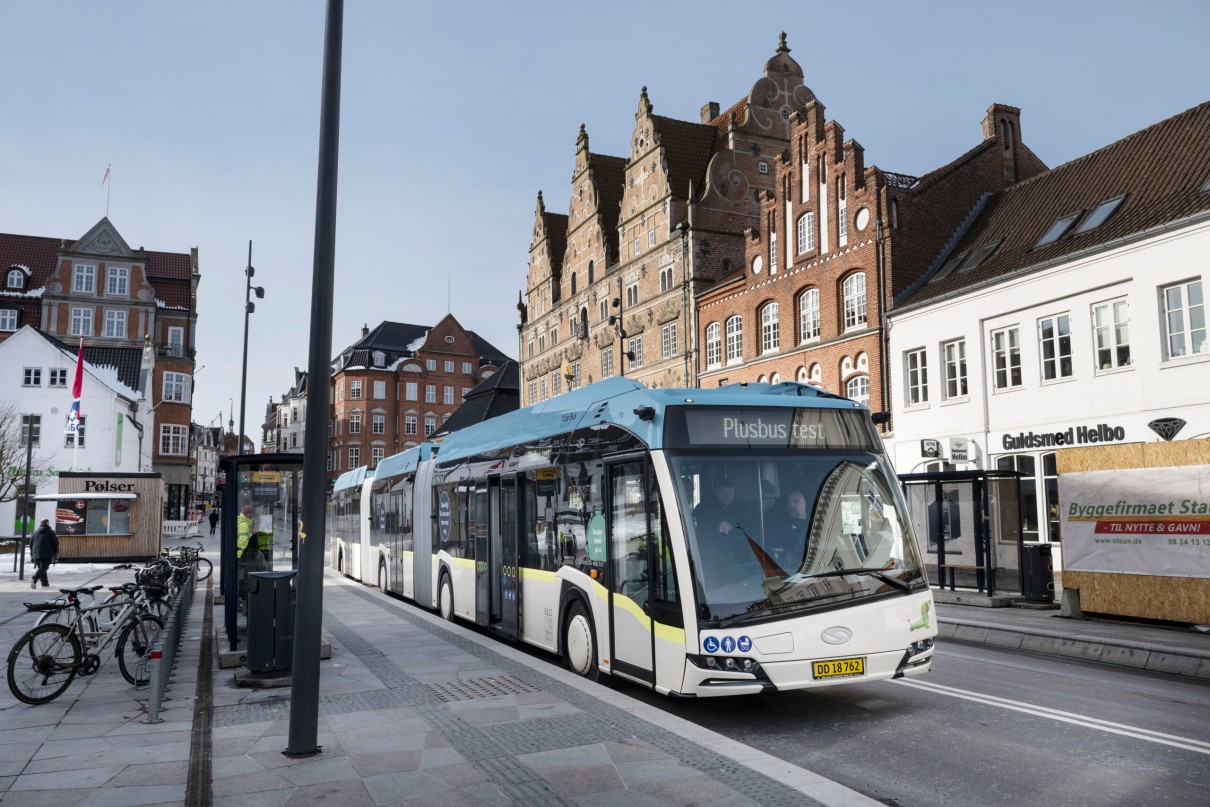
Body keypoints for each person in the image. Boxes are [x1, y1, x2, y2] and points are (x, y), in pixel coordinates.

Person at [30, 519, 59, 590]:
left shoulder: (35, 532)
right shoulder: (50, 532)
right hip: (47, 553)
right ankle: (34, 578)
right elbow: (55, 543)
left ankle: (44, 583)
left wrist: (32, 554)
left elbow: (31, 544)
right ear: (47, 523)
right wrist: (55, 552)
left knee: (42, 568)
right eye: (48, 523)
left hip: (36, 554)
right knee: (44, 568)